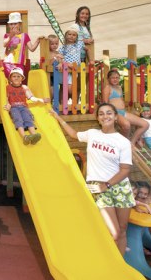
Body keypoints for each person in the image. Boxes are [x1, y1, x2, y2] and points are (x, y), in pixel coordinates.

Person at [53, 103, 134, 254]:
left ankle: (120, 264)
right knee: (114, 232)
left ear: (116, 117)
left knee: (122, 230)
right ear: (97, 118)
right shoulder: (92, 134)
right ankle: (108, 260)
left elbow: (125, 170)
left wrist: (107, 185)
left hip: (119, 187)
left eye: (109, 113)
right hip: (98, 186)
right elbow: (73, 134)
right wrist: (58, 118)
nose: (105, 116)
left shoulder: (123, 142)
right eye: (101, 114)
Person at [102, 69, 148, 148]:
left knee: (145, 124)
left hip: (123, 112)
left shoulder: (119, 87)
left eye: (117, 78)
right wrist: (110, 115)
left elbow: (121, 100)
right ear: (108, 79)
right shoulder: (107, 88)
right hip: (115, 113)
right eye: (113, 78)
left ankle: (132, 143)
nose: (115, 79)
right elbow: (105, 104)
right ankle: (122, 144)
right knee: (126, 125)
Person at [3, 70, 47, 145]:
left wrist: (41, 100)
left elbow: (31, 97)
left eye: (18, 76)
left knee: (28, 119)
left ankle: (34, 135)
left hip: (24, 107)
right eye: (14, 76)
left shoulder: (24, 87)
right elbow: (6, 98)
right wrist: (7, 105)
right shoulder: (8, 87)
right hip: (14, 108)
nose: (16, 78)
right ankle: (24, 137)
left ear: (22, 78)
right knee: (18, 119)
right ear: (10, 78)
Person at [2, 12, 42, 76]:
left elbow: (32, 48)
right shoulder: (7, 35)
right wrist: (11, 36)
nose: (13, 26)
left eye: (15, 24)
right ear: (9, 25)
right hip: (8, 63)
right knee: (9, 79)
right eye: (11, 24)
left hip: (19, 63)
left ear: (20, 24)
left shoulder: (24, 35)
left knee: (18, 79)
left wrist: (38, 40)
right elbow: (4, 44)